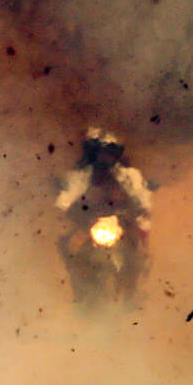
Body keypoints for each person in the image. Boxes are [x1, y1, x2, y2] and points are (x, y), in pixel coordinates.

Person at [55, 128, 151, 301]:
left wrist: (138, 213)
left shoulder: (129, 176)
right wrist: (73, 212)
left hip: (120, 225)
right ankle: (77, 289)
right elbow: (65, 202)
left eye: (109, 152)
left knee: (137, 252)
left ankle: (133, 293)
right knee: (69, 246)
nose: (104, 157)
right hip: (89, 226)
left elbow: (142, 199)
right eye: (100, 152)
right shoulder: (80, 176)